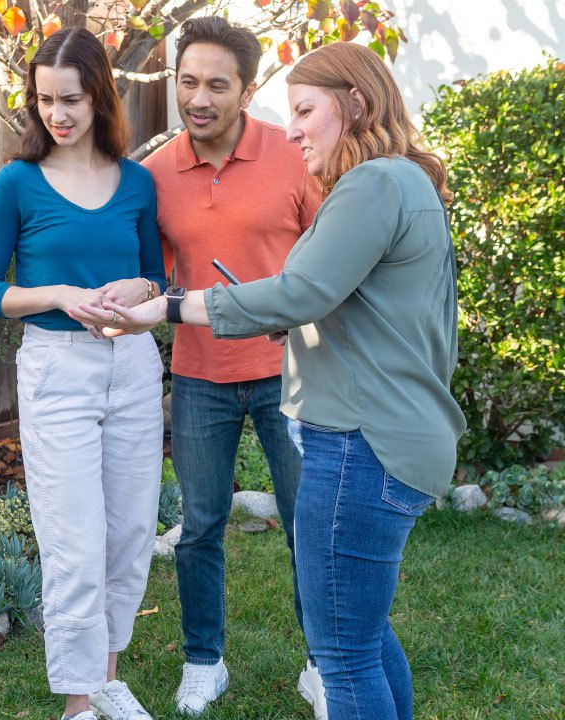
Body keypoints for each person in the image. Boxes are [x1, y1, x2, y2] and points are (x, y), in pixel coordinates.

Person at [70, 41, 468, 720]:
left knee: (341, 654)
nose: (293, 129)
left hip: (360, 445)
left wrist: (166, 308)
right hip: (393, 436)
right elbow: (365, 310)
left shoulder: (370, 183)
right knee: (363, 639)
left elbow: (299, 290)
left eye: (306, 110)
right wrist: (306, 322)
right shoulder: (405, 182)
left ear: (357, 104)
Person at [0, 27, 166, 720]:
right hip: (59, 371)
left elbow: (157, 283)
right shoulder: (16, 184)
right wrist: (58, 295)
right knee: (75, 543)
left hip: (133, 368)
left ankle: (108, 680)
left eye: (72, 100)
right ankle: (78, 705)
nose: (58, 113)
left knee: (128, 536)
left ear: (100, 96)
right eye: (46, 99)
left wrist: (129, 294)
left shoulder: (137, 181)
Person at [140, 16, 325, 718]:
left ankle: (323, 661)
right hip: (198, 377)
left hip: (295, 373)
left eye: (217, 84)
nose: (200, 98)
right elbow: (148, 279)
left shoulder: (292, 156)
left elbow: (332, 258)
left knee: (310, 522)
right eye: (188, 82)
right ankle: (203, 660)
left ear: (247, 90)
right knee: (201, 522)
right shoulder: (156, 174)